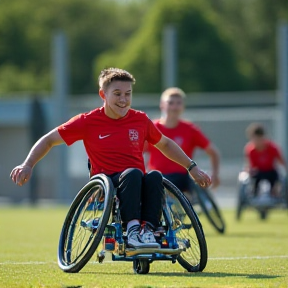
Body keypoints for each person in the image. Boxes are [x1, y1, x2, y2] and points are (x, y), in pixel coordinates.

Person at [10, 68, 211, 249]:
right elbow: (48, 140)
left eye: (127, 94)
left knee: (155, 176)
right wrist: (28, 164)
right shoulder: (87, 121)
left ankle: (148, 229)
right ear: (102, 94)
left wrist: (191, 167)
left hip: (135, 180)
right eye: (117, 94)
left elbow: (165, 144)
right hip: (107, 182)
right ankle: (132, 230)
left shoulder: (140, 119)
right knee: (133, 174)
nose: (123, 99)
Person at [146, 87, 220, 198]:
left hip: (182, 176)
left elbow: (213, 152)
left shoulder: (190, 129)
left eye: (178, 103)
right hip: (157, 176)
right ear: (162, 105)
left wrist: (215, 174)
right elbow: (138, 152)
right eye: (170, 103)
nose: (174, 107)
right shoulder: (151, 128)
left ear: (183, 106)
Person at [244, 122, 287, 196]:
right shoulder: (250, 150)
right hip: (258, 172)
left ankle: (274, 193)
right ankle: (255, 193)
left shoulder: (272, 148)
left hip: (271, 171)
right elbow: (250, 165)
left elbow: (281, 161)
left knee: (276, 178)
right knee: (254, 179)